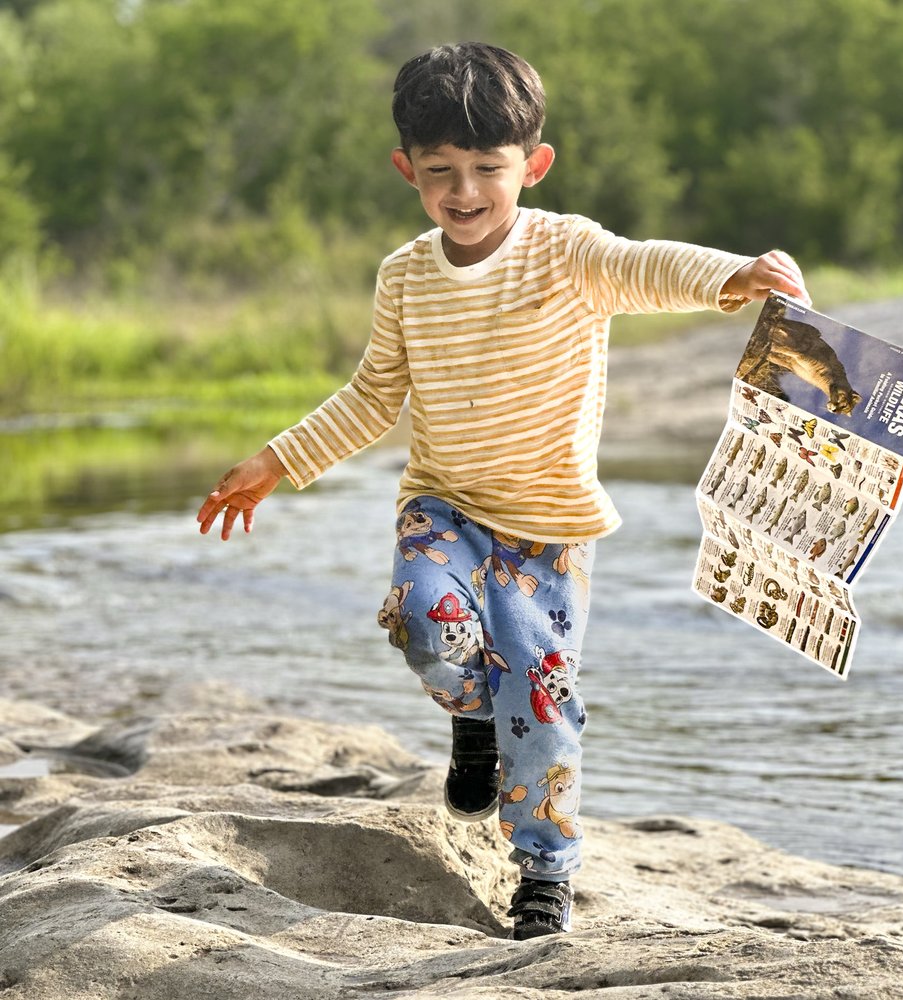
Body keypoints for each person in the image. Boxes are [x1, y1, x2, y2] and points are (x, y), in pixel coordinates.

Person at [196, 42, 811, 940]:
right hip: (442, 507)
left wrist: (735, 274)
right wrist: (277, 461)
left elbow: (648, 265)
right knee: (423, 622)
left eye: (489, 168)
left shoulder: (568, 252)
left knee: (544, 699)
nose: (466, 191)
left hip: (551, 530)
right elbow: (374, 395)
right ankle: (474, 717)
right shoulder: (405, 276)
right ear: (407, 169)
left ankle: (544, 873)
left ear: (534, 164)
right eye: (441, 172)